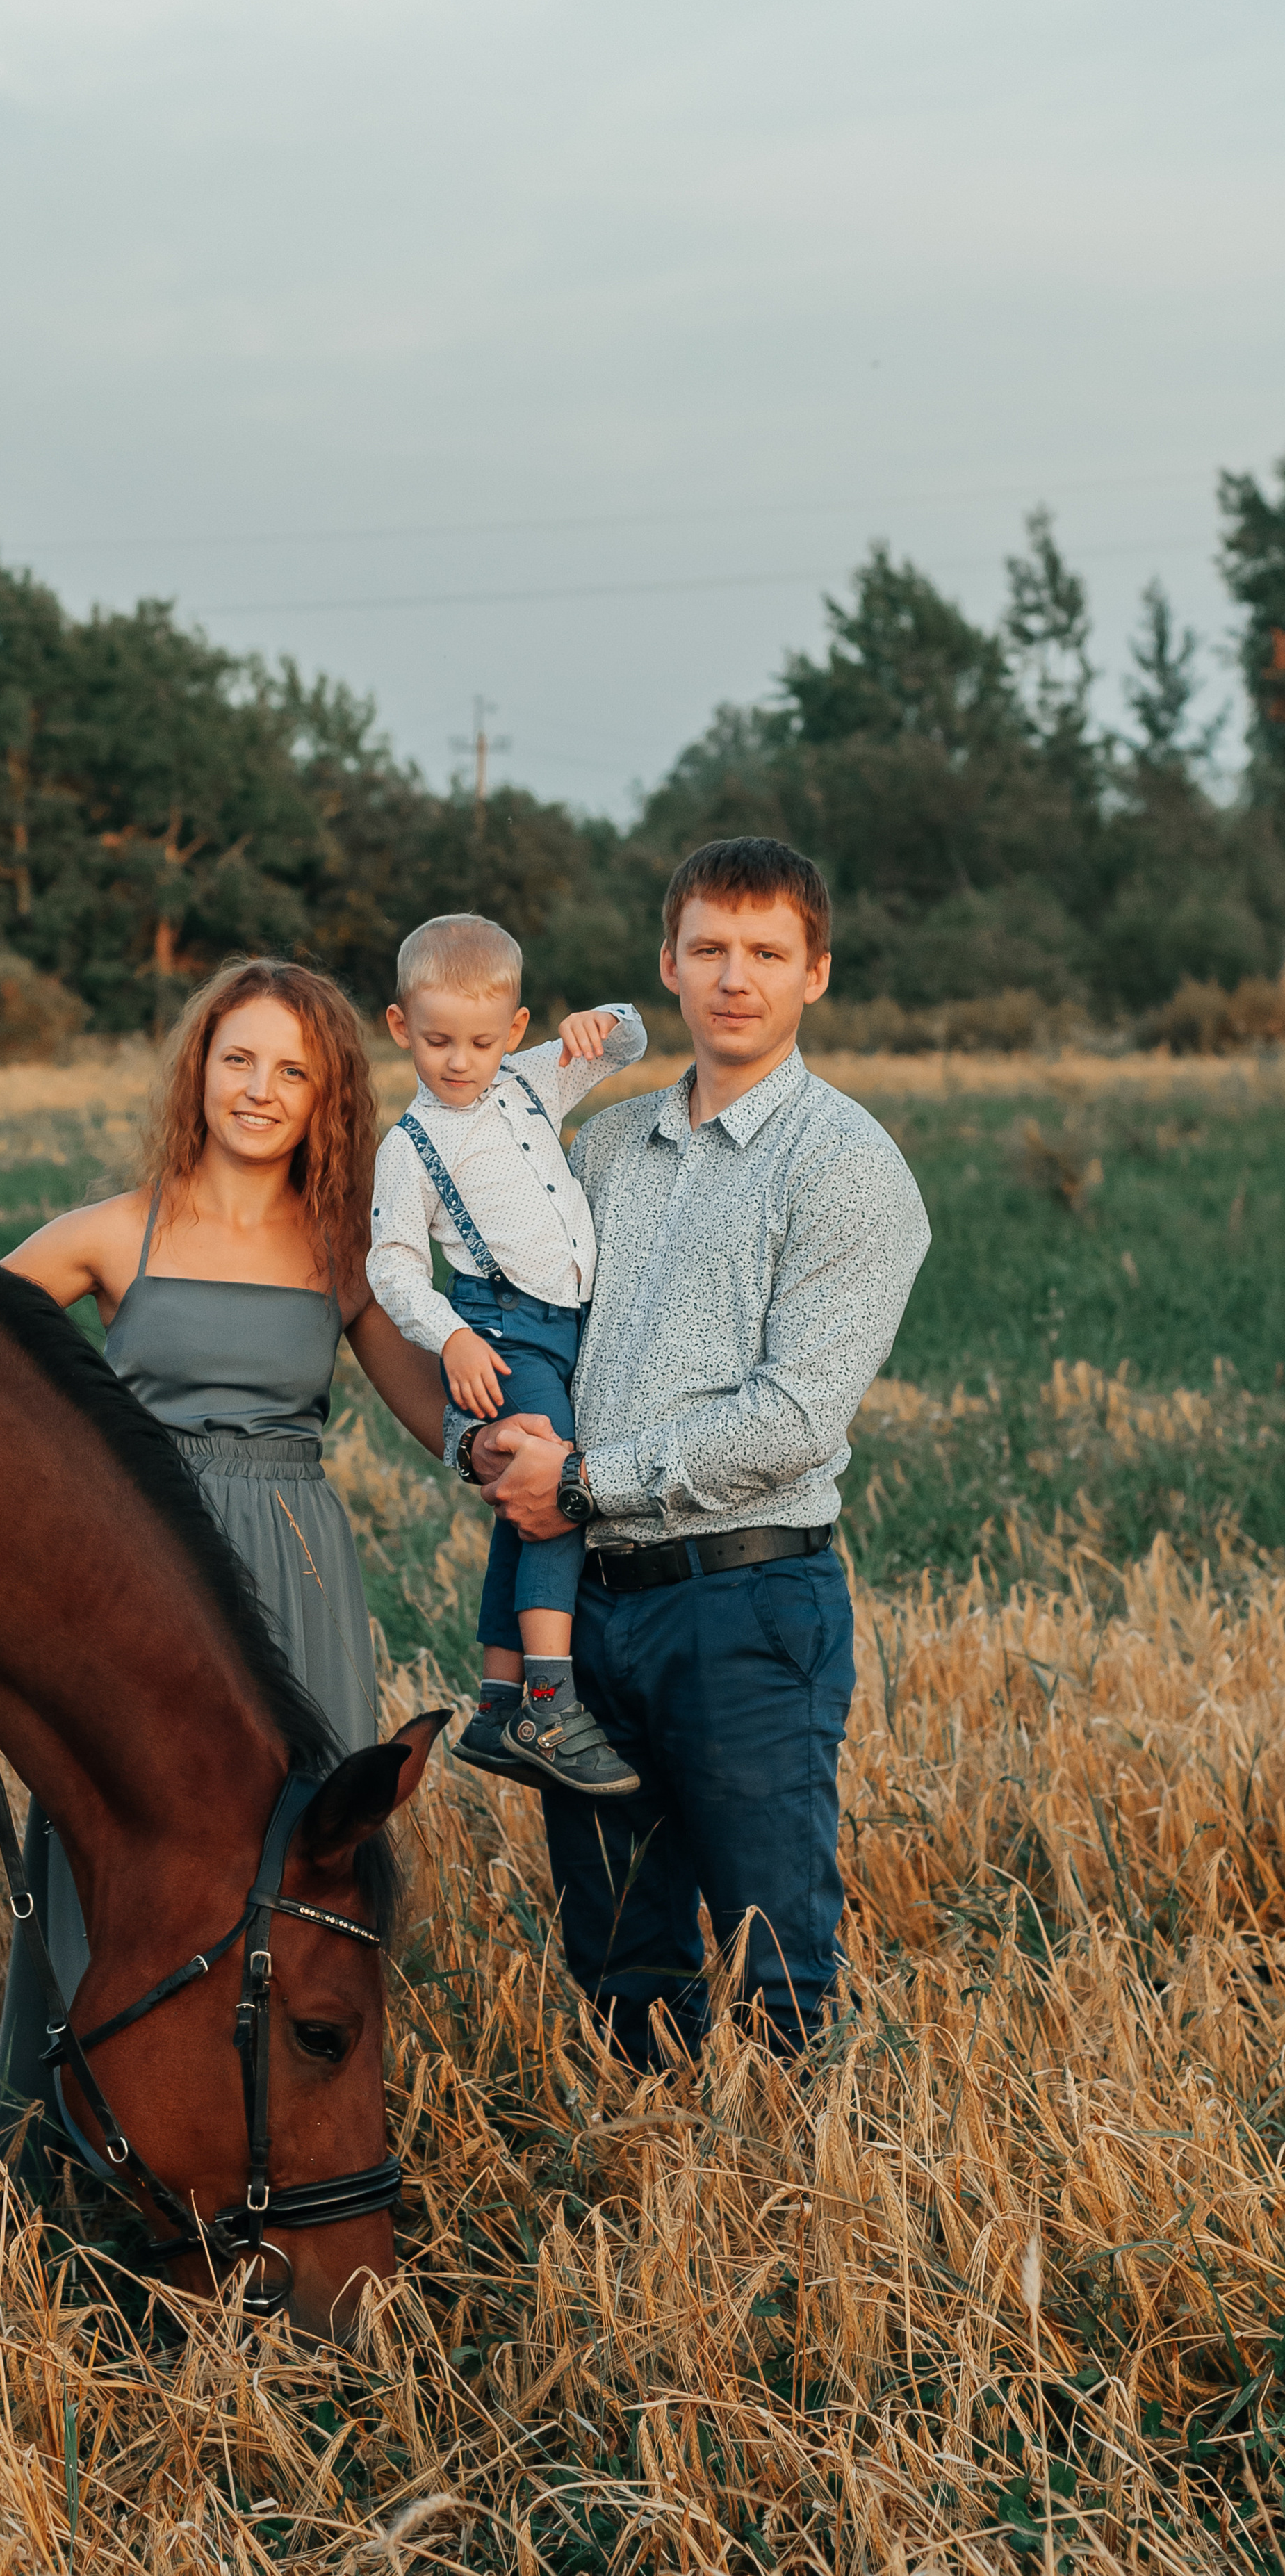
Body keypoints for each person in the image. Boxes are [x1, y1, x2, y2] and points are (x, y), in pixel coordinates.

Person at [458, 838, 931, 2068]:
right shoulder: (603, 1148)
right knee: (621, 1952)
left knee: (779, 1955)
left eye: (768, 952)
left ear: (815, 973)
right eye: (710, 947)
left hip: (746, 1600)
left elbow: (795, 1415)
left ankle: (798, 2174)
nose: (735, 977)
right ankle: (644, 2161)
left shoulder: (846, 1165)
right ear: (667, 962)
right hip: (585, 1606)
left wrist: (578, 1482)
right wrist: (487, 1436)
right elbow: (520, 1316)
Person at [0, 957, 443, 2172]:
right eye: (238, 1057)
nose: (259, 1088)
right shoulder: (114, 1229)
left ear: (326, 1096)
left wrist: (542, 1444)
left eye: (293, 1070)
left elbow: (438, 1414)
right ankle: (79, 2148)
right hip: (139, 1575)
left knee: (299, 1849)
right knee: (114, 1832)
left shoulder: (344, 1250)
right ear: (199, 1069)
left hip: (295, 1568)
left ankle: (283, 2145)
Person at [367, 913, 646, 1797]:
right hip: (499, 1333)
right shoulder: (408, 1148)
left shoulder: (529, 1078)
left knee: (521, 1506)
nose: (459, 1061)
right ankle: (549, 1700)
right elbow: (391, 1265)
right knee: (555, 1488)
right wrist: (449, 1334)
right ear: (401, 1025)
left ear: (515, 1030)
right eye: (438, 1040)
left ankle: (495, 1702)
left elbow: (628, 1042)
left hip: (569, 1327)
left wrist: (600, 1022)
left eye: (481, 1041)